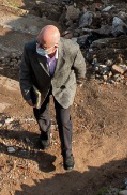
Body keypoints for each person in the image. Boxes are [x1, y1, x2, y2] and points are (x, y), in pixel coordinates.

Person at [18, 25, 87, 172]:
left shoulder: (71, 49)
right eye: (39, 43)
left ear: (55, 46)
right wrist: (26, 94)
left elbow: (80, 68)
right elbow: (24, 73)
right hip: (40, 87)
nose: (39, 47)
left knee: (64, 120)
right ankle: (45, 134)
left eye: (43, 46)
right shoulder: (30, 48)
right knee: (40, 113)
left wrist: (78, 83)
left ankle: (67, 154)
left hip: (63, 88)